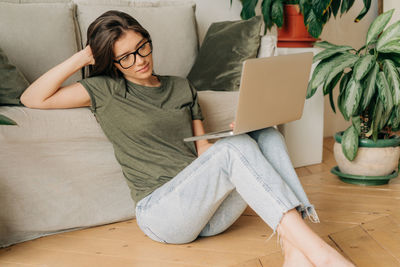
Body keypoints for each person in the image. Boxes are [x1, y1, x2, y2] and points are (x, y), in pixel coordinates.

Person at [20, 10, 354, 267]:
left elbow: (202, 151)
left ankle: (296, 251)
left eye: (142, 47)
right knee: (236, 149)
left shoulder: (181, 86)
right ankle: (320, 254)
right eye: (126, 57)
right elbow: (33, 99)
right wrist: (83, 57)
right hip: (162, 215)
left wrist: (239, 135)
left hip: (208, 213)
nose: (140, 60)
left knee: (264, 132)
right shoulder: (104, 90)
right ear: (113, 62)